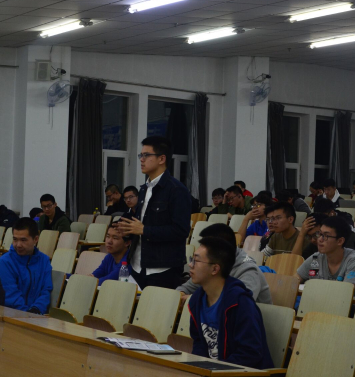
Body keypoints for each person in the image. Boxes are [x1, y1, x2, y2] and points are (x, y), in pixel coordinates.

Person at [188, 237, 274, 369]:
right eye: (192, 259)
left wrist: (216, 370)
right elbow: (199, 341)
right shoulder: (197, 299)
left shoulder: (240, 303)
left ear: (215, 269)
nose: (190, 265)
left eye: (197, 260)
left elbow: (250, 352)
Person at [117, 136, 191, 290]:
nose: (141, 159)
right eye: (141, 155)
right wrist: (129, 230)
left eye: (146, 155)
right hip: (138, 264)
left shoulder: (177, 190)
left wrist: (144, 230)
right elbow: (143, 224)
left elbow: (181, 230)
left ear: (161, 159)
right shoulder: (144, 189)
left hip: (162, 268)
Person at [178, 223, 272, 304]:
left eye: (197, 260)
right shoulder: (211, 263)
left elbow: (238, 304)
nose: (191, 265)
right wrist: (180, 295)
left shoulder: (249, 271)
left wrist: (194, 299)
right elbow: (188, 287)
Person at [0, 218, 53, 314]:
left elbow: (46, 290)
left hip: (37, 316)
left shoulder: (44, 260)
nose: (18, 245)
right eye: (15, 239)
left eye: (23, 240)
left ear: (35, 239)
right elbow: (10, 297)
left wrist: (36, 309)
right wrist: (27, 315)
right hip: (11, 316)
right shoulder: (5, 262)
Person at [297, 216, 355, 284]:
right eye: (319, 234)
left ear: (340, 241)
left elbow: (347, 291)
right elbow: (296, 279)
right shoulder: (316, 258)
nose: (319, 239)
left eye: (326, 236)